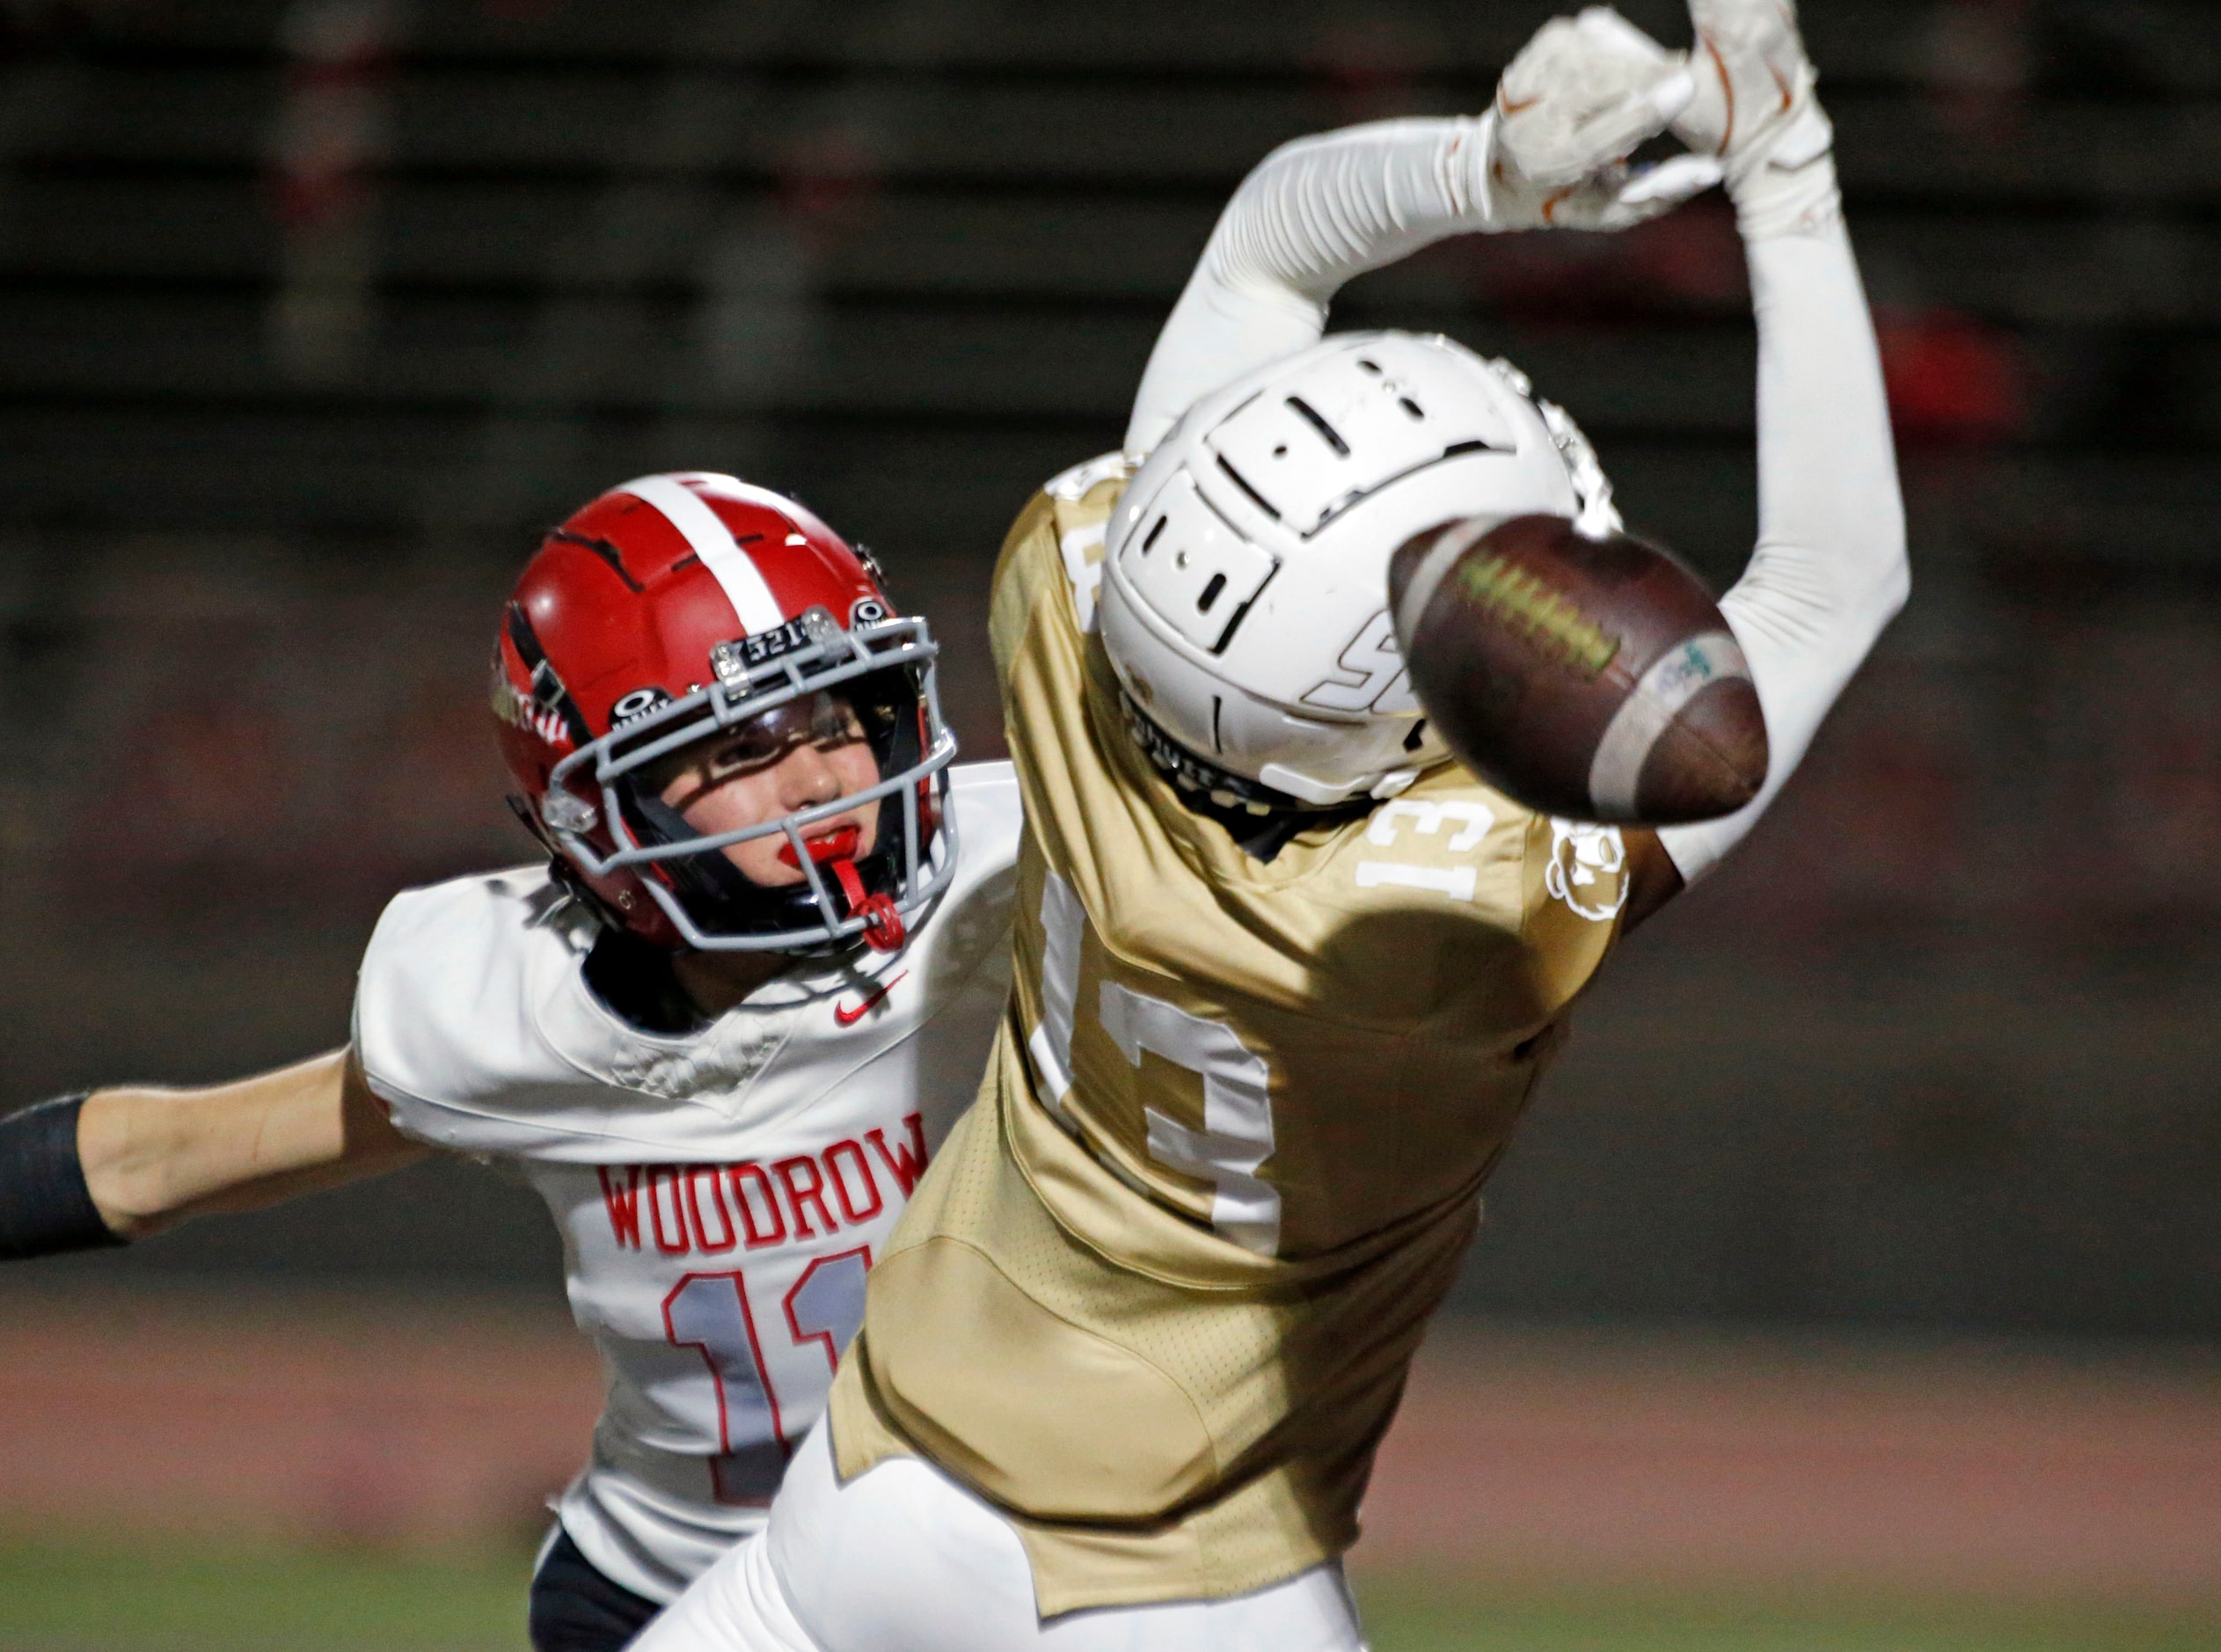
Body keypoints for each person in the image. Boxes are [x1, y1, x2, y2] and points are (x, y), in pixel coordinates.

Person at [631, 2, 1908, 1648]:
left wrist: (1486, 165)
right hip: (1193, 1582)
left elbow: (1258, 250)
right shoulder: (1458, 938)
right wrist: (1781, 162)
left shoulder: (1073, 587)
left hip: (871, 1486)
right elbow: (1826, 580)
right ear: (1403, 714)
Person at [0, 471, 1025, 1652]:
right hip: (680, 1581)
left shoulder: (1021, 891)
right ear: (606, 805)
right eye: (742, 745)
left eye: (838, 713)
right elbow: (160, 1157)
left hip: (1000, 1556)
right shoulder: (524, 1014)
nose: (819, 780)